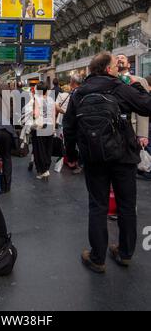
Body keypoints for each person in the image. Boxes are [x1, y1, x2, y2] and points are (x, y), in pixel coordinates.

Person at [63, 51, 151, 274]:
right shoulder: (119, 87)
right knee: (126, 206)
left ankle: (97, 257)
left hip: (94, 158)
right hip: (123, 157)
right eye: (115, 64)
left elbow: (69, 128)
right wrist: (136, 85)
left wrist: (71, 157)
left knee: (98, 206)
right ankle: (124, 253)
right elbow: (147, 106)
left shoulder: (79, 93)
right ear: (108, 69)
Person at [31, 82, 55, 180]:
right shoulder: (51, 100)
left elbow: (35, 115)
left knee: (39, 149)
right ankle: (46, 168)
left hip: (40, 126)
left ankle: (42, 171)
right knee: (47, 149)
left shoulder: (36, 99)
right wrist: (53, 129)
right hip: (49, 126)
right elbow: (53, 115)